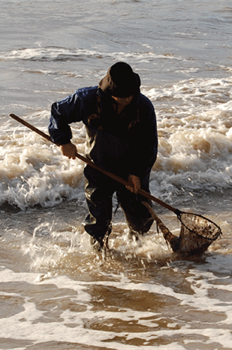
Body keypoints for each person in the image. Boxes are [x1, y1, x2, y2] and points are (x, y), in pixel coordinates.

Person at [49, 62, 158, 251]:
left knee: (139, 217)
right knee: (98, 219)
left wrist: (136, 173)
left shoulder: (144, 106)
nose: (129, 99)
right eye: (123, 96)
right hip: (99, 166)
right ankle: (99, 257)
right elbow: (58, 112)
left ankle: (138, 251)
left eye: (132, 94)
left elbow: (148, 145)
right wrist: (64, 141)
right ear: (110, 93)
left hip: (132, 167)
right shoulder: (86, 99)